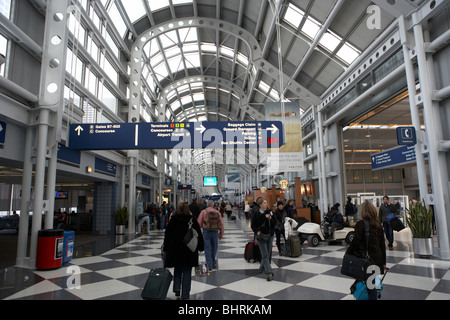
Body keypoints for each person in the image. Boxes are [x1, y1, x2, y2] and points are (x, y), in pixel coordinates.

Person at [346, 201, 387, 300]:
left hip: (364, 261)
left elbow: (355, 242)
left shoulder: (360, 224)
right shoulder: (378, 226)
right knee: (372, 285)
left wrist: (348, 254)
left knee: (369, 287)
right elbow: (382, 247)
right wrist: (383, 263)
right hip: (376, 260)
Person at [163, 202, 204, 300]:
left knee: (177, 269)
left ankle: (177, 288)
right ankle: (185, 294)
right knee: (187, 271)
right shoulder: (192, 220)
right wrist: (201, 247)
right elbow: (198, 234)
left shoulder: (173, 220)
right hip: (189, 251)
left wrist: (166, 248)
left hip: (175, 250)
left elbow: (167, 235)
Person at [251, 198, 276, 281]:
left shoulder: (270, 211)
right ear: (260, 204)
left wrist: (271, 219)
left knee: (268, 254)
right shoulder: (256, 213)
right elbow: (254, 224)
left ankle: (261, 268)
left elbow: (274, 222)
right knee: (265, 255)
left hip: (270, 235)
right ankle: (269, 272)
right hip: (261, 236)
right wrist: (257, 231)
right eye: (264, 203)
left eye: (266, 202)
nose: (266, 204)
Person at [197, 200, 224, 271]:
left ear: (207, 205)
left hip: (206, 231)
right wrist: (221, 233)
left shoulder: (203, 212)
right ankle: (213, 261)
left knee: (207, 248)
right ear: (213, 205)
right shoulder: (217, 212)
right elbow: (221, 224)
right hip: (215, 231)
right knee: (214, 247)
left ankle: (209, 264)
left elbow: (199, 223)